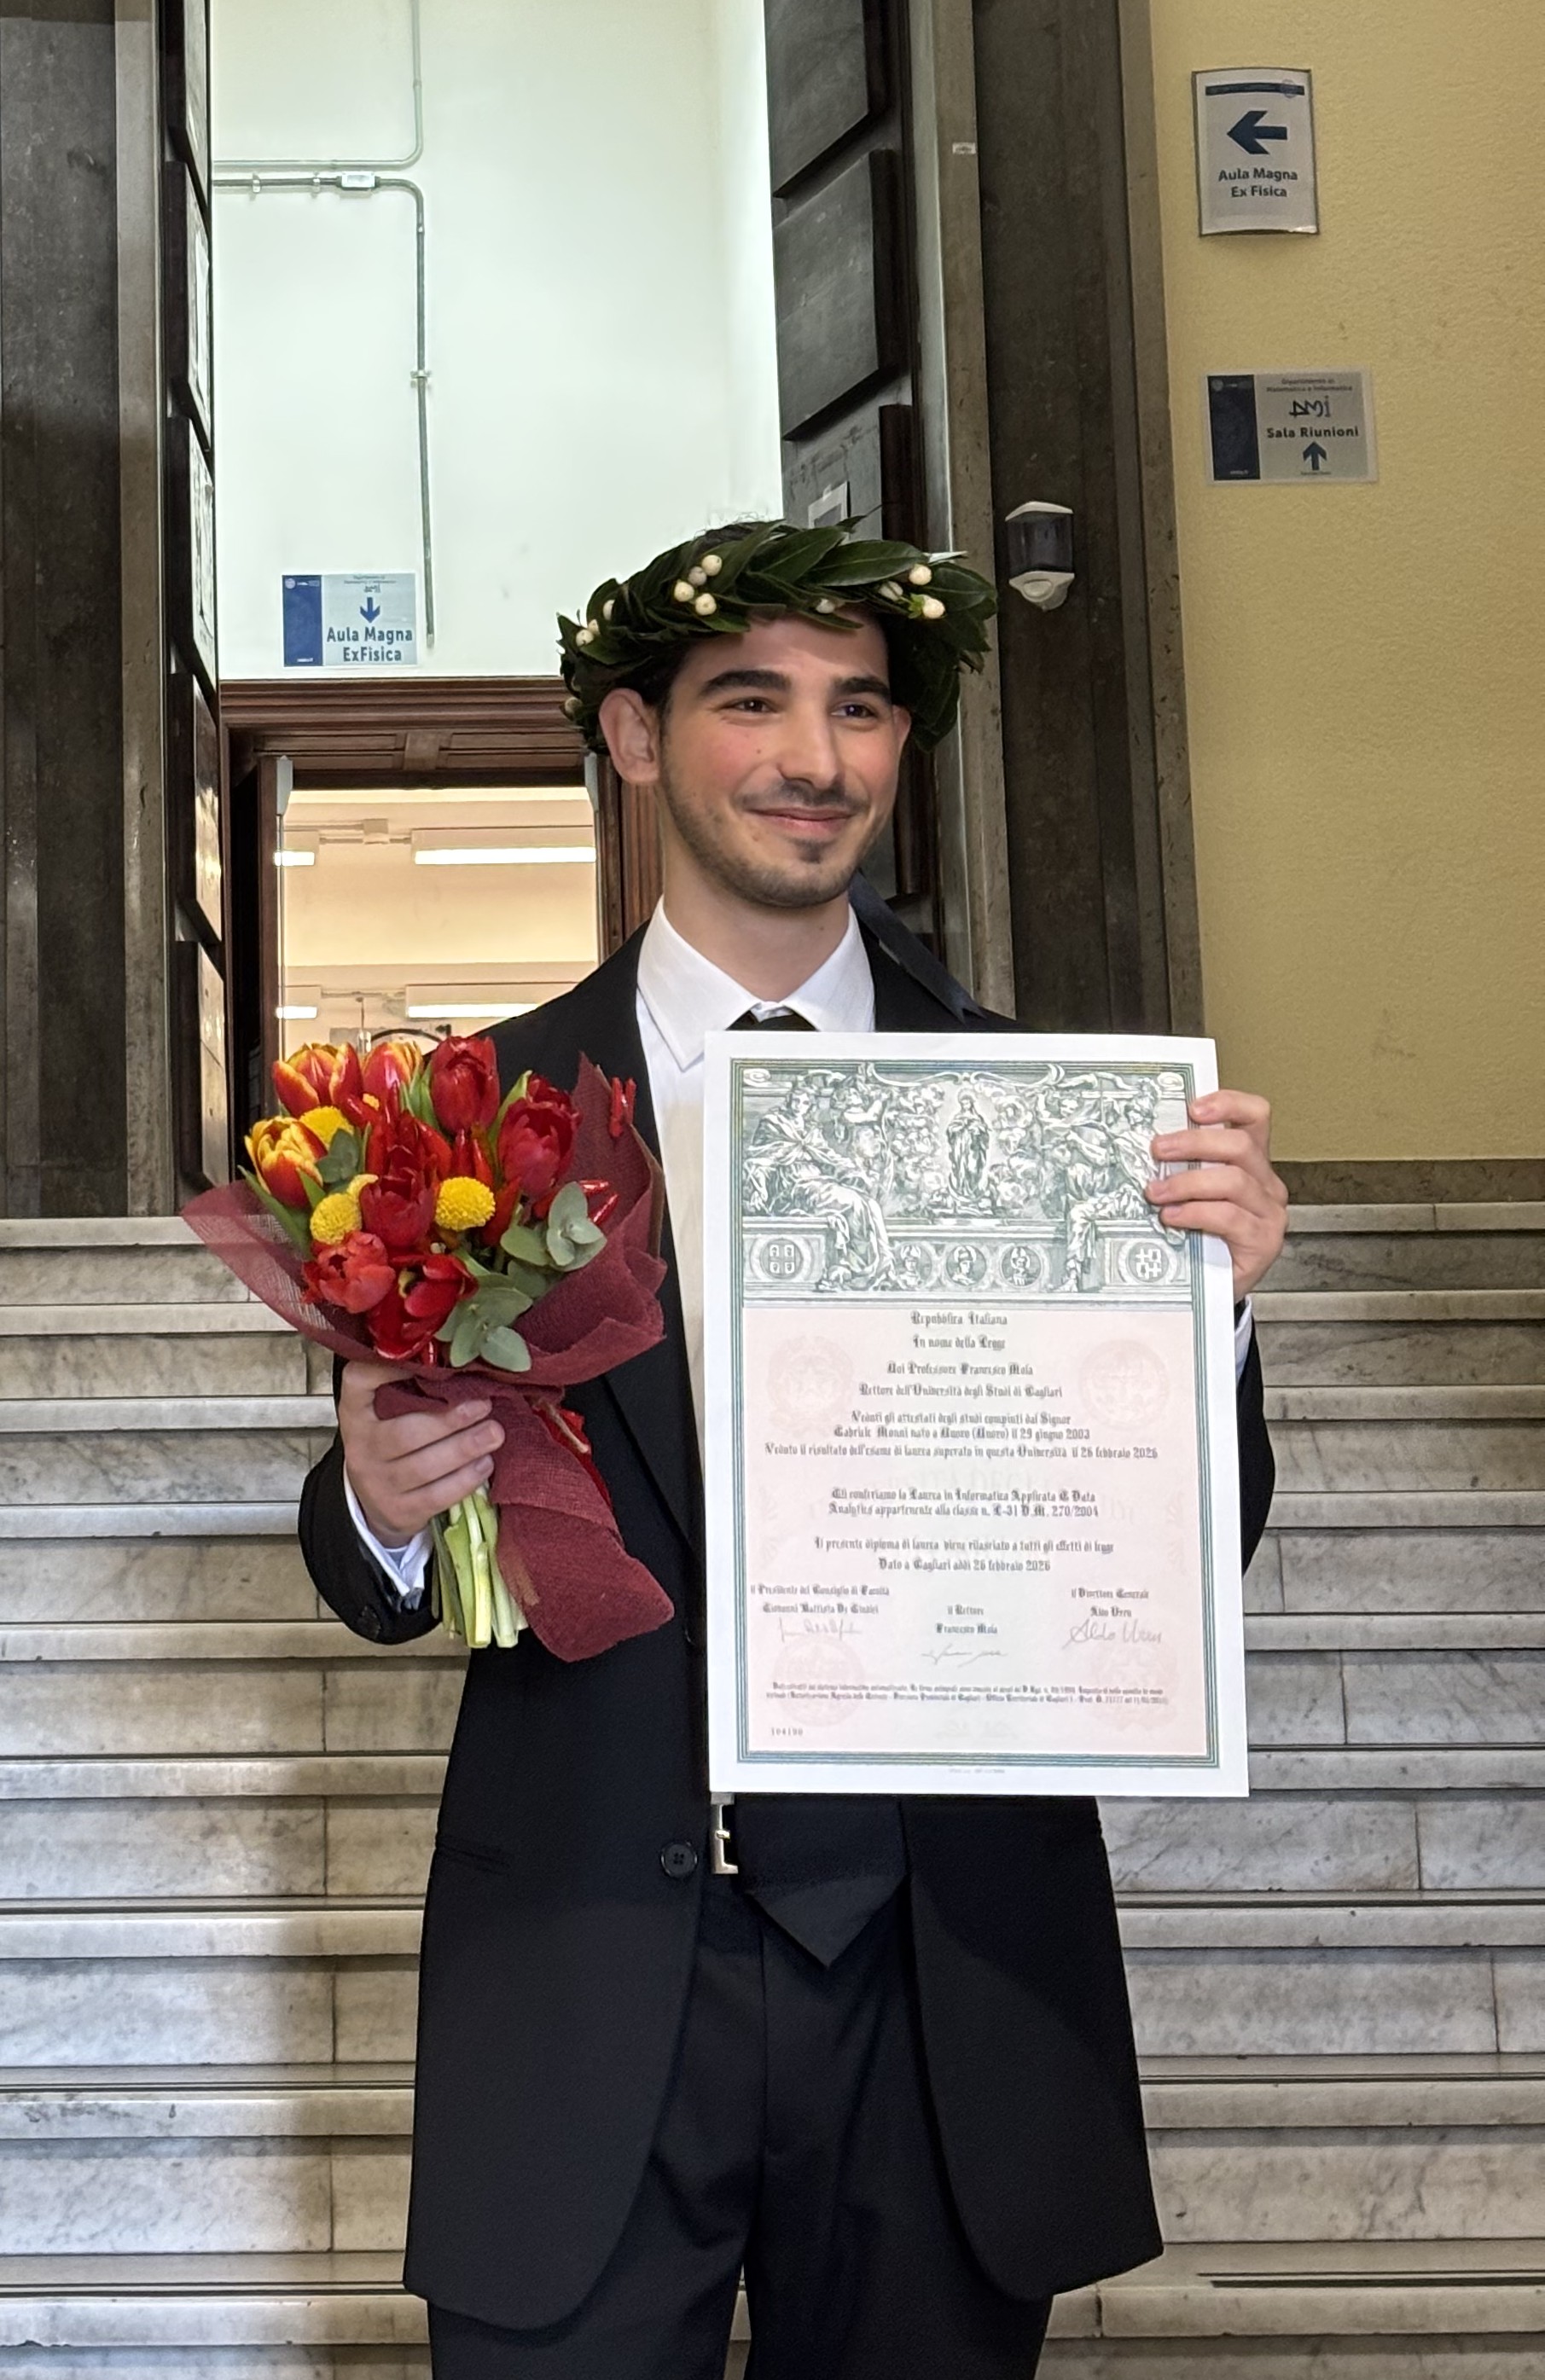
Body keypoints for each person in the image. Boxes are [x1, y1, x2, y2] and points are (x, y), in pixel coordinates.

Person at [298, 520, 1287, 2380]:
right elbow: (367, 1576)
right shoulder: (467, 1113)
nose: (813, 758)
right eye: (751, 699)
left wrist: (1209, 1308)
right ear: (637, 735)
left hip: (941, 1979)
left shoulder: (1062, 1122)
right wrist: (382, 1499)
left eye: (860, 710)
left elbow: (1188, 1555)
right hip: (590, 1962)